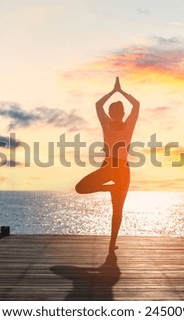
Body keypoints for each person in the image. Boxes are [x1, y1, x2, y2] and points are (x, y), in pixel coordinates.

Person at [75, 77, 140, 253]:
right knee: (80, 187)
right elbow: (98, 105)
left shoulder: (129, 125)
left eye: (117, 112)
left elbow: (136, 105)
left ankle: (112, 245)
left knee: (117, 209)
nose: (114, 115)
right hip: (108, 166)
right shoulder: (107, 124)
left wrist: (122, 92)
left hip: (122, 170)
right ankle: (109, 189)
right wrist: (113, 92)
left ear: (122, 113)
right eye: (112, 112)